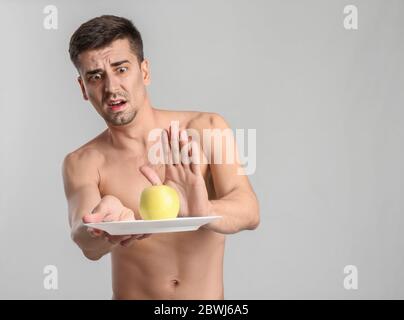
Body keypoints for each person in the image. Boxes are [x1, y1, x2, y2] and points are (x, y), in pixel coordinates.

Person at [62, 15, 260, 299]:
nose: (111, 87)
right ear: (83, 87)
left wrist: (203, 210)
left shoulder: (206, 129)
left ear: (144, 71)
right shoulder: (82, 162)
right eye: (95, 76)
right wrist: (103, 225)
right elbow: (85, 241)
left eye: (121, 69)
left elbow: (249, 210)